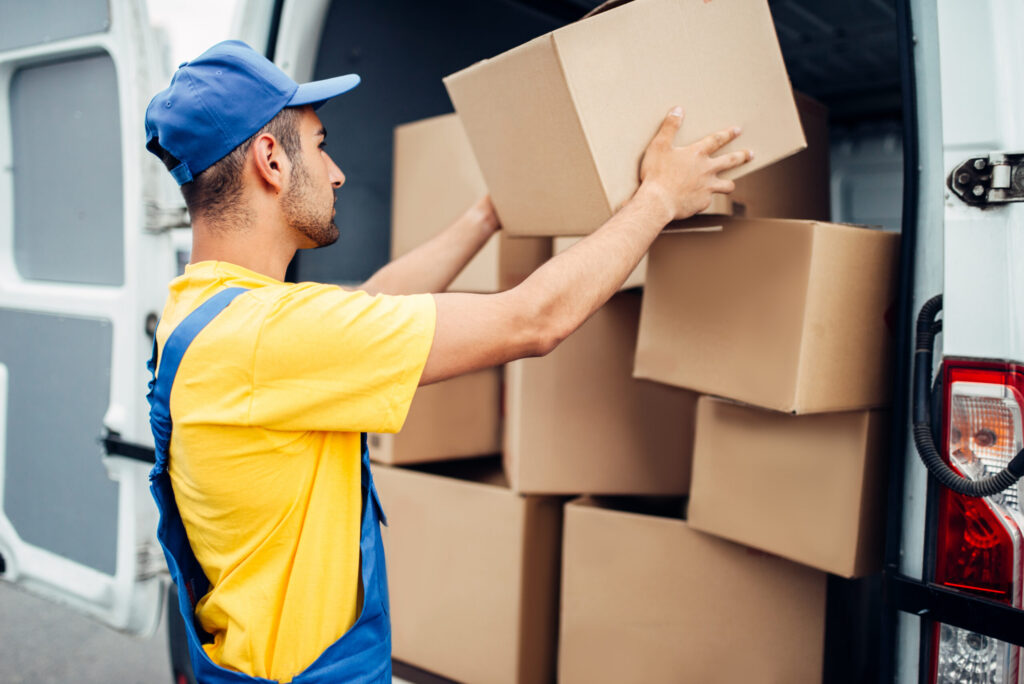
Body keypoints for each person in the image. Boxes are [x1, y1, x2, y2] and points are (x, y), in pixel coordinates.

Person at [144, 40, 750, 684]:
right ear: (271, 160)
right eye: (321, 146)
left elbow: (372, 303)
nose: (336, 173)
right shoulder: (268, 336)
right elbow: (533, 320)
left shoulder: (204, 313)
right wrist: (660, 197)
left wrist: (488, 214)